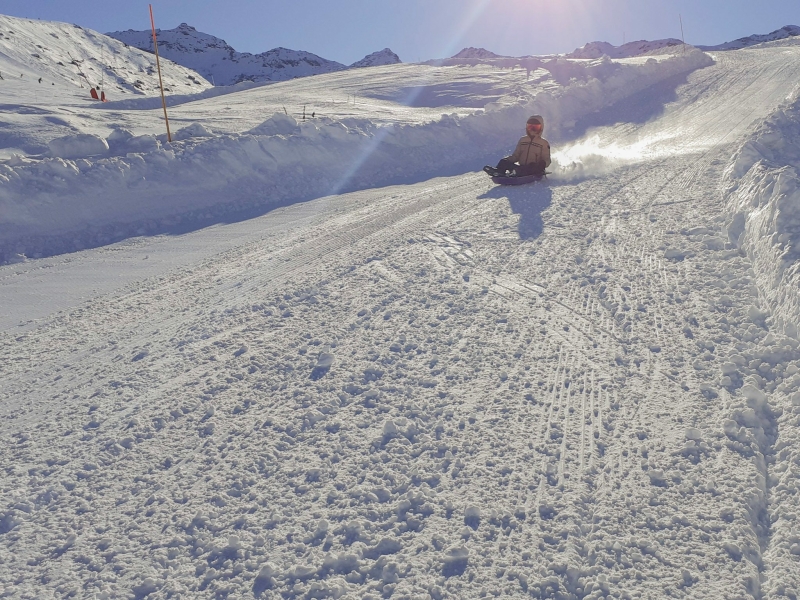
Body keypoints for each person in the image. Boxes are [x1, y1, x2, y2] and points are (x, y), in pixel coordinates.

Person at [484, 115, 551, 177]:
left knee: (530, 167)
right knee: (504, 161)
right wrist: (508, 160)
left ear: (541, 128)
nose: (532, 129)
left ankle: (516, 173)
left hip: (533, 170)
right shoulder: (522, 140)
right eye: (530, 127)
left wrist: (542, 164)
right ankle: (498, 171)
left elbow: (547, 159)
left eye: (535, 127)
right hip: (521, 167)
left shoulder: (544, 143)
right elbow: (516, 156)